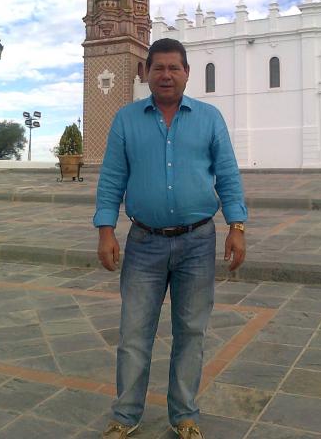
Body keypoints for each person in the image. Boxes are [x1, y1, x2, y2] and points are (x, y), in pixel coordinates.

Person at [95, 38, 247, 439]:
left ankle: (184, 416)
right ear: (146, 73)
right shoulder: (126, 120)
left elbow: (228, 175)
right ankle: (125, 415)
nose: (166, 75)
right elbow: (112, 178)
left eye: (173, 68)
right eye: (158, 68)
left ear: (186, 73)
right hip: (143, 243)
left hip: (197, 242)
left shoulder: (209, 119)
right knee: (133, 333)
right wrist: (106, 229)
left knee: (191, 332)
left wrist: (237, 226)